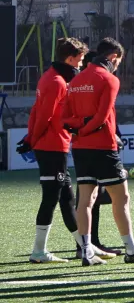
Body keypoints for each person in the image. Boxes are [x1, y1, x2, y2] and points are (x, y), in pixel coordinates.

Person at [64, 38, 134, 266]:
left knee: (86, 199)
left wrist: (79, 131)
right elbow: (102, 117)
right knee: (121, 197)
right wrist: (87, 129)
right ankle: (132, 250)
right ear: (113, 57)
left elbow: (64, 118)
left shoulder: (76, 80)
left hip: (80, 147)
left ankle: (86, 250)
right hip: (103, 147)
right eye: (119, 61)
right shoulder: (109, 79)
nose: (118, 66)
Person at [20, 38, 88, 263]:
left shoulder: (50, 77)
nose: (81, 64)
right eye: (80, 59)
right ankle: (39, 251)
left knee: (66, 196)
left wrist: (31, 138)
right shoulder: (57, 81)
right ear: (70, 58)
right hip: (51, 146)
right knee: (52, 197)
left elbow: (36, 111)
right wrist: (32, 140)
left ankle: (84, 247)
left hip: (54, 144)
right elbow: (44, 116)